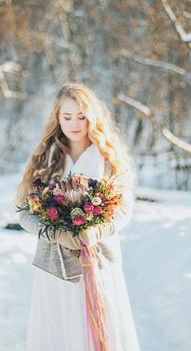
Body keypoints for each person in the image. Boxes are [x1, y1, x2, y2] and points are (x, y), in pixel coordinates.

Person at [13, 82, 141, 351]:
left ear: (92, 117)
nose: (74, 123)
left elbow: (125, 209)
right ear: (57, 117)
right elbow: (24, 212)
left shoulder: (108, 157)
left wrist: (96, 231)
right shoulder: (46, 158)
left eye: (81, 116)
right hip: (56, 266)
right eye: (67, 116)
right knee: (60, 330)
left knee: (101, 326)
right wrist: (55, 233)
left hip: (99, 261)